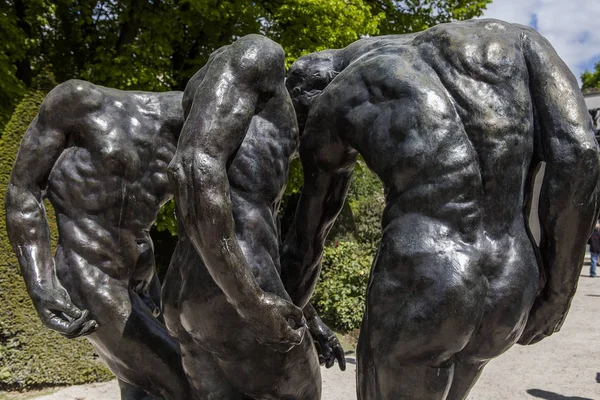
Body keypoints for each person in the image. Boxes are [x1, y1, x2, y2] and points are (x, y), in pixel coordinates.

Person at [281, 19, 600, 400]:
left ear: (310, 94)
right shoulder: (517, 38)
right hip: (511, 284)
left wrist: (289, 319)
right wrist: (559, 291)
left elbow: (307, 245)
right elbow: (580, 152)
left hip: (421, 285)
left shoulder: (341, 95)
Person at [162, 34, 343, 400]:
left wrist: (308, 315)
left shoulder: (235, 110)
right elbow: (194, 167)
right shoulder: (260, 55)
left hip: (185, 293)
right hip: (238, 297)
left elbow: (261, 236)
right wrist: (250, 302)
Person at [5, 81, 197, 400]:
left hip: (145, 279)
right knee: (187, 384)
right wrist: (40, 282)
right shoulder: (78, 102)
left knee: (140, 388)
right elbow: (22, 190)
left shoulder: (195, 136)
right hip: (89, 273)